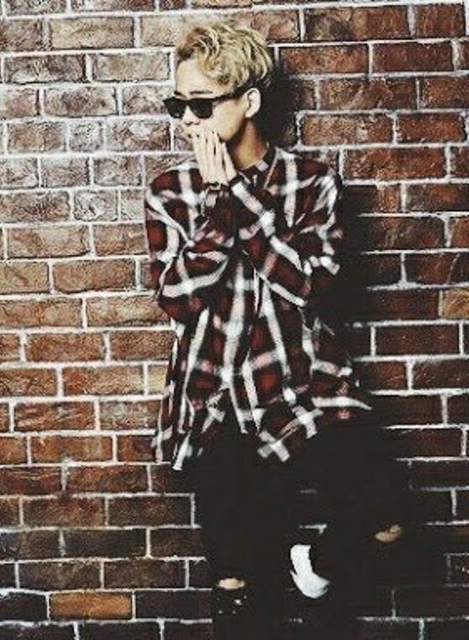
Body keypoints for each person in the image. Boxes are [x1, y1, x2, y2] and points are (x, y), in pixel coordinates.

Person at [143, 17, 414, 640]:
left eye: (201, 104)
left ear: (249, 102)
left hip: (305, 387)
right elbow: (177, 300)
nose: (187, 120)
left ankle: (316, 567)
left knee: (388, 518)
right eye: (178, 105)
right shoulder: (169, 192)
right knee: (238, 584)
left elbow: (311, 285)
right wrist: (217, 205)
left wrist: (236, 194)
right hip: (215, 397)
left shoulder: (312, 183)